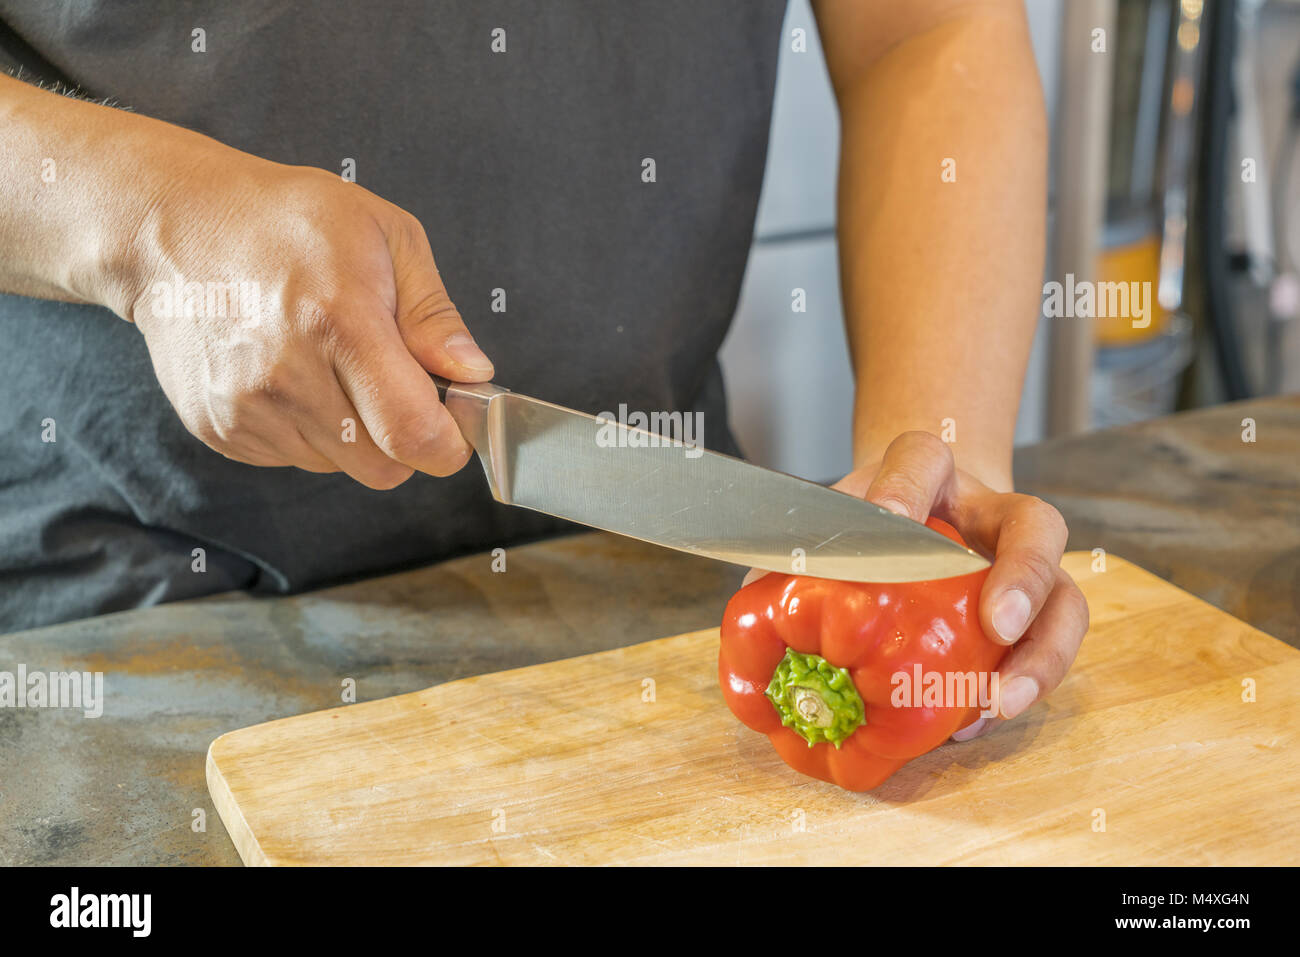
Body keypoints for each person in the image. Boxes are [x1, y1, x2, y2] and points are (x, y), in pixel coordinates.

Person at [0, 0, 1086, 738]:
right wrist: (150, 222)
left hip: (658, 568)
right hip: (129, 610)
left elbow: (925, 31)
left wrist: (936, 480)